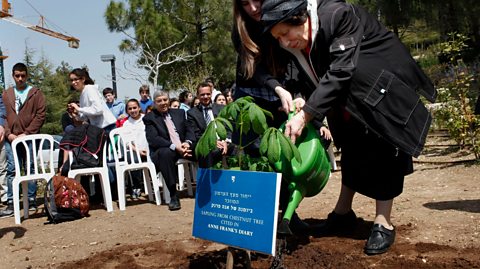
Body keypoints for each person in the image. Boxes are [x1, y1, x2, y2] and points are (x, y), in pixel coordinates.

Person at [260, 0, 437, 254]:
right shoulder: (301, 42)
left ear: (301, 17)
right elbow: (312, 73)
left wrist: (307, 114)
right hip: (349, 100)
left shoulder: (338, 15)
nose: (285, 42)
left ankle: (383, 222)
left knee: (383, 150)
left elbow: (341, 69)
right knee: (352, 149)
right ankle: (343, 215)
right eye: (279, 38)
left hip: (382, 91)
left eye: (286, 32)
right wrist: (302, 98)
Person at [232, 0, 309, 234]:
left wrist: (296, 93)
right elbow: (253, 68)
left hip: (283, 98)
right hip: (252, 96)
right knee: (254, 156)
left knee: (282, 155)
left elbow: (296, 59)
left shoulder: (285, 15)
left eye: (257, 0)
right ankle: (257, 222)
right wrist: (276, 87)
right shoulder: (241, 29)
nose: (253, 8)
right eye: (245, 4)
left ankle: (287, 216)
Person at [0, 62, 46, 217]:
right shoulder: (6, 94)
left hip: (30, 138)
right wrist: (8, 133)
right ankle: (12, 203)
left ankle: (31, 200)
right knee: (12, 170)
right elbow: (3, 115)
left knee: (31, 167)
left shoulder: (35, 93)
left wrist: (27, 133)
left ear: (27, 76)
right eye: (17, 75)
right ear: (13, 76)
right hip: (11, 139)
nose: (20, 79)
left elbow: (40, 115)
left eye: (23, 76)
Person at [143, 90, 194, 211]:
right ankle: (173, 195)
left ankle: (209, 190)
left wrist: (187, 143)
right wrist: (175, 147)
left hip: (184, 147)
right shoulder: (149, 118)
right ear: (154, 103)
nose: (163, 103)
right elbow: (153, 139)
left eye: (165, 100)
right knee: (165, 154)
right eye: (159, 101)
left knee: (202, 150)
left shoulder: (180, 113)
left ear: (169, 100)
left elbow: (189, 130)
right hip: (166, 149)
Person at [187, 82, 233, 168]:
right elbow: (197, 134)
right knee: (209, 153)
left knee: (238, 150)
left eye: (208, 94)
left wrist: (226, 141)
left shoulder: (221, 108)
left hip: (224, 142)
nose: (205, 97)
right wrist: (213, 142)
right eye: (202, 94)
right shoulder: (192, 113)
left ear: (211, 94)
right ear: (197, 96)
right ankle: (210, 180)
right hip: (207, 144)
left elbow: (228, 128)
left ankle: (237, 179)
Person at [122, 99, 149, 199]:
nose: (133, 110)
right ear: (127, 110)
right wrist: (138, 151)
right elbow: (126, 142)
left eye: (134, 108)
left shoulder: (147, 119)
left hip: (149, 150)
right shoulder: (126, 124)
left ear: (139, 108)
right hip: (136, 152)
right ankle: (137, 187)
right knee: (132, 158)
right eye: (130, 109)